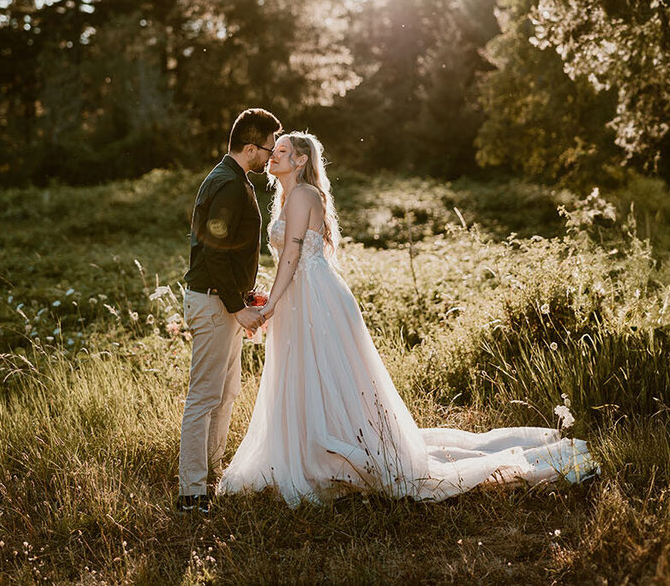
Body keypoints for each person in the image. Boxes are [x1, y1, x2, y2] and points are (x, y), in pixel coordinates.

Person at [216, 132, 597, 506]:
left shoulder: (301, 194)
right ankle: (313, 448)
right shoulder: (289, 195)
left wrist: (268, 307)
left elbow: (293, 257)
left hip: (314, 300)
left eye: (282, 151)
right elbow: (291, 260)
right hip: (303, 295)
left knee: (322, 373)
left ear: (300, 160)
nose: (274, 156)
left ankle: (327, 453)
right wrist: (274, 295)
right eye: (274, 151)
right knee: (306, 375)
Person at [177, 108, 282, 514]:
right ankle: (191, 492)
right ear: (251, 147)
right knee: (204, 397)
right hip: (213, 302)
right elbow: (213, 251)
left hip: (224, 299)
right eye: (270, 146)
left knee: (226, 393)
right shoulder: (228, 185)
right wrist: (237, 307)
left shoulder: (233, 179)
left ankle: (211, 475)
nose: (272, 154)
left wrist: (244, 293)